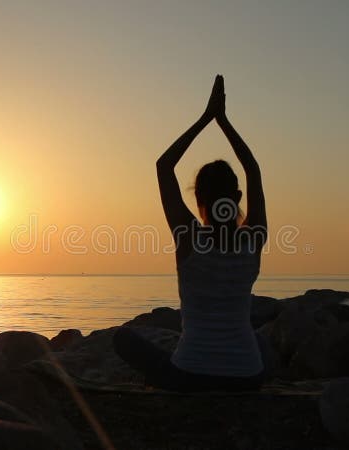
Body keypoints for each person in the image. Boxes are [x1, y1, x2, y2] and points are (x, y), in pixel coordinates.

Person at [112, 75, 271, 392]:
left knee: (121, 338)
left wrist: (205, 118)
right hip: (247, 378)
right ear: (238, 198)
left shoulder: (188, 238)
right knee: (265, 342)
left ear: (198, 200)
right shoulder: (253, 239)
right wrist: (224, 123)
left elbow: (164, 166)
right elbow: (252, 169)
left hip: (188, 376)